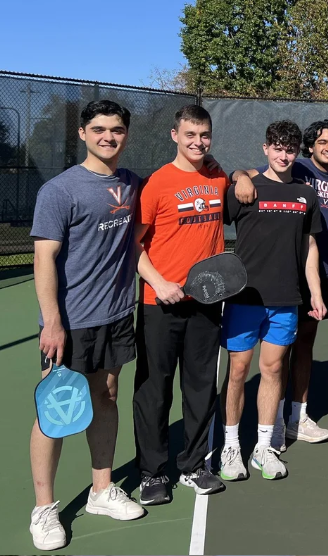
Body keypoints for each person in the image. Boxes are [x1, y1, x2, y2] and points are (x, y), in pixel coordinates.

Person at [28, 100, 144, 551]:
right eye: (99, 129)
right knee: (54, 414)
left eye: (116, 130)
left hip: (116, 316)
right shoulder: (59, 191)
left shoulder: (133, 183)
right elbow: (44, 259)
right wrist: (52, 323)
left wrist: (232, 174)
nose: (108, 137)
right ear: (82, 134)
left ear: (126, 135)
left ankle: (101, 490)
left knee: (106, 396)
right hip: (70, 323)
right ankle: (43, 509)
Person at [220, 120, 327, 481]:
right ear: (265, 148)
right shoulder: (244, 188)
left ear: (298, 152)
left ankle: (264, 447)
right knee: (237, 371)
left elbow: (310, 247)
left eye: (290, 149)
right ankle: (231, 446)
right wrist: (239, 177)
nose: (284, 155)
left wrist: (314, 291)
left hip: (286, 299)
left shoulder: (306, 194)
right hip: (244, 298)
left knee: (274, 370)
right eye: (277, 148)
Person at [133, 105, 226, 506]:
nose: (197, 142)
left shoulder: (219, 176)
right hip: (160, 303)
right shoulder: (157, 183)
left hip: (206, 302)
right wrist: (158, 282)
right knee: (155, 390)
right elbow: (132, 244)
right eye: (190, 135)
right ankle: (152, 474)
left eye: (204, 135)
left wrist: (238, 175)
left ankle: (192, 466)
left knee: (201, 387)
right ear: (175, 135)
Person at [233, 119, 328, 441]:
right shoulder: (295, 168)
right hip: (285, 274)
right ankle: (278, 418)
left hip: (320, 271)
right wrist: (240, 176)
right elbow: (246, 174)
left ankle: (299, 415)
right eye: (323, 142)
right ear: (309, 147)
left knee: (304, 346)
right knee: (276, 354)